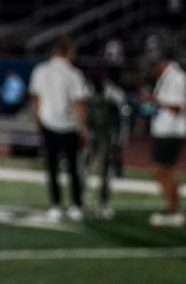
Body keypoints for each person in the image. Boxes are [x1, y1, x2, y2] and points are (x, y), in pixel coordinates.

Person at [29, 37, 89, 221]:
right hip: (69, 125)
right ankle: (76, 205)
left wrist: (38, 122)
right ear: (68, 52)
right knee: (74, 168)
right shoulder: (73, 74)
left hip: (48, 123)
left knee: (52, 168)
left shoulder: (41, 70)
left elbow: (36, 100)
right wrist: (83, 127)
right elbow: (79, 103)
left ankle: (56, 205)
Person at [144, 50, 186, 227]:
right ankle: (172, 208)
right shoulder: (168, 77)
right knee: (164, 170)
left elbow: (178, 107)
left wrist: (154, 100)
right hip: (164, 130)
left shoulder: (177, 78)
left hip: (171, 131)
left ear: (161, 64)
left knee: (163, 170)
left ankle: (173, 210)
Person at [85, 68, 127, 219]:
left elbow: (122, 118)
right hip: (92, 134)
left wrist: (120, 138)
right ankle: (82, 201)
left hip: (107, 136)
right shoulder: (87, 89)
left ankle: (104, 203)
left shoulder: (114, 93)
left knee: (106, 172)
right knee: (85, 168)